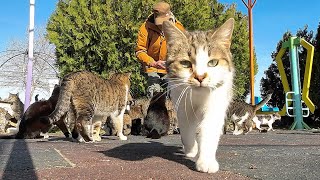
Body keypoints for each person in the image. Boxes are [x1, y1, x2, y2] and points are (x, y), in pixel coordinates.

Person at [135, 1, 185, 98]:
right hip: (152, 66)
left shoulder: (179, 28)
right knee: (155, 94)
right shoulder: (145, 28)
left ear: (169, 16)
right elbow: (140, 51)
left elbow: (183, 52)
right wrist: (153, 62)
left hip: (170, 67)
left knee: (174, 95)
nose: (160, 25)